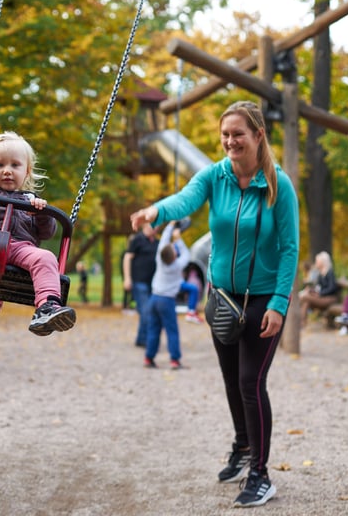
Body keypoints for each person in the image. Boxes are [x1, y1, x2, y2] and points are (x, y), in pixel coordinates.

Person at [129, 101, 299, 508]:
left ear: (258, 135)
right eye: (225, 135)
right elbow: (184, 201)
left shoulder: (279, 184)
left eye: (238, 134)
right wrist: (155, 210)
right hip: (222, 297)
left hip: (262, 300)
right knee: (230, 381)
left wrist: (279, 302)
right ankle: (242, 448)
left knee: (249, 382)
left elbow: (290, 249)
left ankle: (261, 474)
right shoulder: (215, 177)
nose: (230, 141)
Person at [0, 131, 76, 336]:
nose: (7, 171)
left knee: (45, 257)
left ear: (26, 171)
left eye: (15, 165)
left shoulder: (31, 200)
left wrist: (42, 213)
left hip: (21, 247)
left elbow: (47, 233)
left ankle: (48, 306)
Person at [143, 222, 190, 370]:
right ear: (175, 256)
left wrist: (170, 226)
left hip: (154, 298)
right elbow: (187, 255)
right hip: (167, 300)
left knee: (153, 329)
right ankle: (175, 360)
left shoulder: (159, 259)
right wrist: (177, 239)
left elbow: (163, 240)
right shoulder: (177, 266)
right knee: (172, 330)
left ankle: (148, 358)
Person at [122, 222, 158, 347]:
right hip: (139, 282)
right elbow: (127, 258)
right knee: (146, 311)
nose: (153, 228)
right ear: (144, 226)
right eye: (150, 225)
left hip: (153, 285)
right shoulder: (138, 239)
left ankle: (141, 339)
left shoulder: (157, 243)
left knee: (148, 312)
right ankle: (146, 340)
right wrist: (127, 278)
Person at [298, 251, 340, 328]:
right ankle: (302, 324)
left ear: (323, 262)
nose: (316, 262)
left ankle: (301, 323)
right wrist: (312, 291)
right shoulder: (320, 274)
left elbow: (332, 288)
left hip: (330, 298)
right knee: (306, 302)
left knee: (305, 297)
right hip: (322, 298)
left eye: (317, 261)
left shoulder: (330, 272)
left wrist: (320, 293)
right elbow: (318, 287)